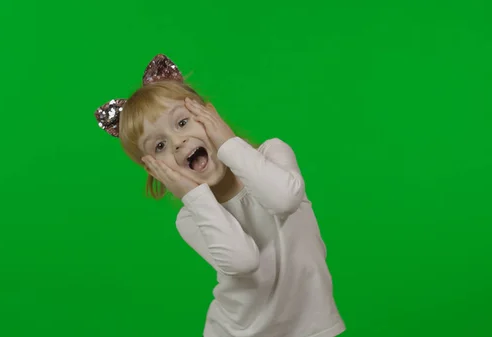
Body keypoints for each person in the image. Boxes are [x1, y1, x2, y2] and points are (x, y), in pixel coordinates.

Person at [95, 54, 346, 337]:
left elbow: (283, 200)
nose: (179, 143)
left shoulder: (274, 153)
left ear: (209, 115)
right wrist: (195, 197)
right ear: (156, 170)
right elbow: (243, 261)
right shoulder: (192, 216)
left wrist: (227, 142)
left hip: (311, 325)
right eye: (160, 146)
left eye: (182, 123)